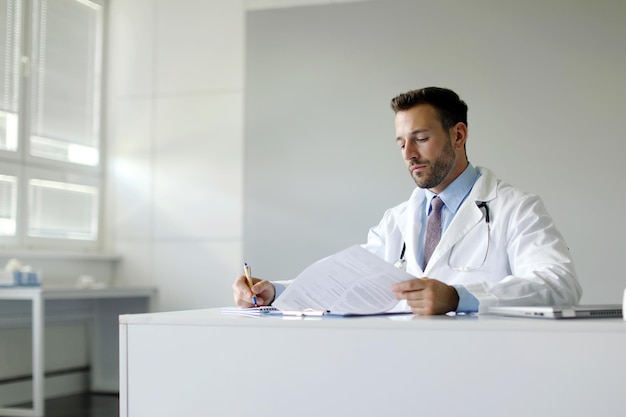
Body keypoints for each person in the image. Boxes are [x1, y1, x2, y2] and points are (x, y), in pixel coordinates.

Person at [232, 87, 582, 315]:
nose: (409, 154)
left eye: (421, 138)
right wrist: (274, 291)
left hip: (490, 368)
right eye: (401, 143)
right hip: (407, 369)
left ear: (458, 135)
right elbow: (346, 282)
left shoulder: (515, 209)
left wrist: (459, 297)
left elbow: (559, 284)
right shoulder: (399, 219)